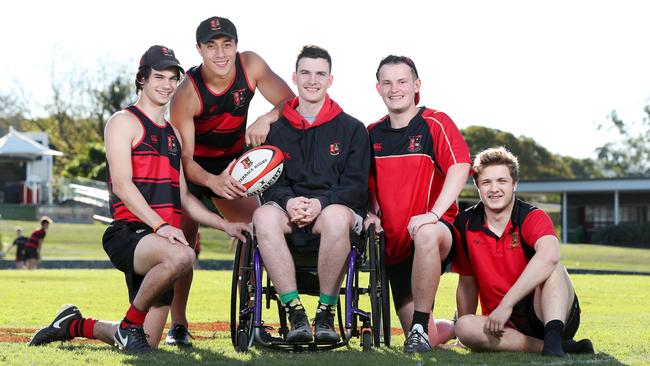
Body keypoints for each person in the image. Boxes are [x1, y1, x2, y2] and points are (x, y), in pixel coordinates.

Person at [28, 45, 250, 353]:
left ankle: (73, 324)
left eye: (173, 78)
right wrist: (160, 227)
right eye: (158, 76)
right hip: (130, 233)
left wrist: (225, 225)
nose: (167, 85)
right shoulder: (123, 121)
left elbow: (184, 196)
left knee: (144, 344)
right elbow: (121, 184)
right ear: (142, 79)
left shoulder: (173, 133)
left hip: (161, 241)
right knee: (184, 256)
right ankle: (130, 324)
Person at [167, 16, 294, 346]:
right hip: (195, 171)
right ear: (199, 50)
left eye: (226, 44)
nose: (220, 53)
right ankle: (178, 325)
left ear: (236, 46)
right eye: (211, 46)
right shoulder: (186, 94)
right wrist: (212, 181)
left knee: (254, 233)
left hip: (234, 165)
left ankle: (250, 317)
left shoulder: (250, 65)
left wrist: (266, 118)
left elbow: (289, 102)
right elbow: (185, 161)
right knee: (183, 244)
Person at [253, 45, 370, 344]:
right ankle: (295, 312)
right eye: (305, 72)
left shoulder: (352, 129)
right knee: (263, 216)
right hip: (287, 213)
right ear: (294, 77)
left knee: (334, 217)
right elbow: (268, 181)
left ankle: (326, 313)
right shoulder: (275, 130)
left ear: (330, 80)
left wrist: (321, 203)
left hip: (333, 213)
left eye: (320, 73)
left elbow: (356, 186)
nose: (312, 80)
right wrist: (289, 201)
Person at [364, 55, 471, 353]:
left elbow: (461, 166)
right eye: (387, 82)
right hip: (394, 247)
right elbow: (363, 187)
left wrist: (433, 215)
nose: (394, 88)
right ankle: (453, 327)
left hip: (435, 232)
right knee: (432, 340)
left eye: (402, 81)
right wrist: (370, 213)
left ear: (416, 85)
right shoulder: (372, 133)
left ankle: (421, 328)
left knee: (425, 232)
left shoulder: (435, 122)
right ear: (378, 88)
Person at [452, 147, 595, 356]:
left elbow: (550, 255)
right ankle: (553, 348)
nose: (494, 189)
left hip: (549, 311)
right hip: (503, 325)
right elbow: (466, 283)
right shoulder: (464, 224)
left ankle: (554, 337)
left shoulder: (532, 216)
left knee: (552, 264)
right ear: (477, 186)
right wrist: (461, 339)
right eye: (486, 182)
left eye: (502, 181)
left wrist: (506, 304)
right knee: (463, 326)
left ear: (514, 184)